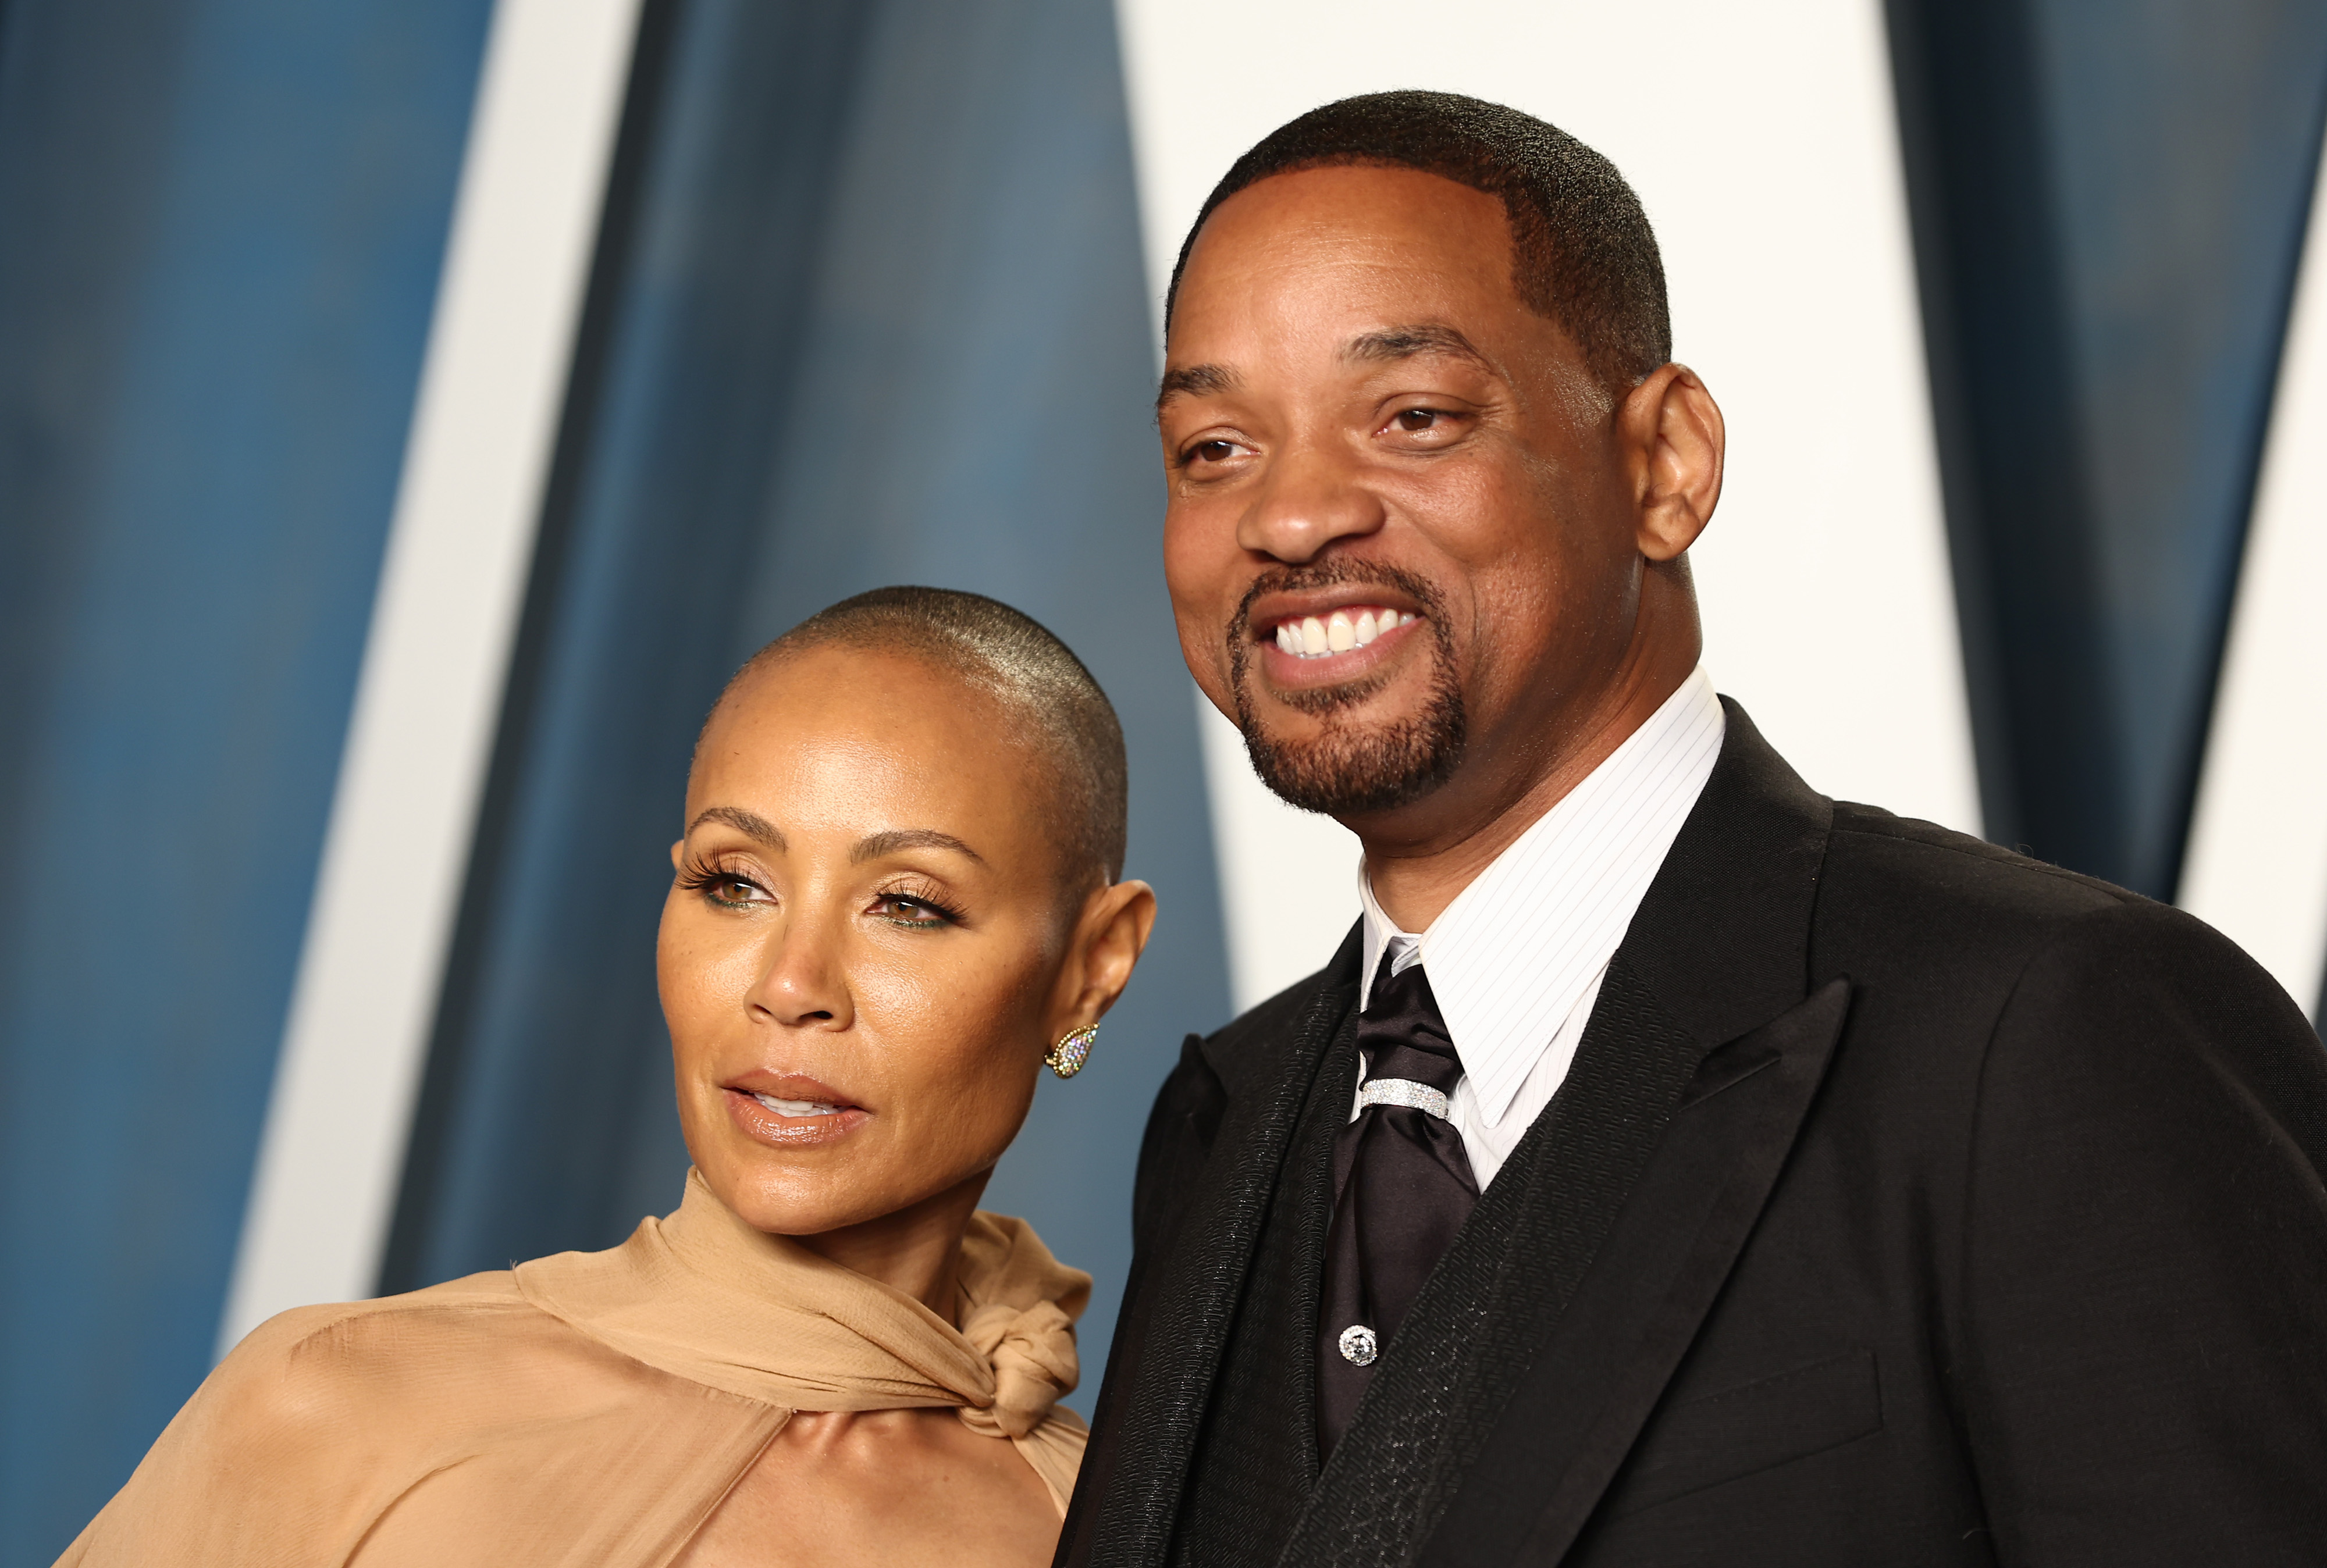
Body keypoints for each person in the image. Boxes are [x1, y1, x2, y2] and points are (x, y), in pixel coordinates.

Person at [1061, 91, 2327, 1567]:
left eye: (1410, 417)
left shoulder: (2052, 1028)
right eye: (1214, 448)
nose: (1287, 520)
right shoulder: (1220, 1118)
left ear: (1664, 462)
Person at [61, 587, 1155, 1568]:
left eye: (908, 905)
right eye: (733, 883)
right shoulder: (331, 1406)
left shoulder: (1112, 1531)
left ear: (1091, 969)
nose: (791, 984)